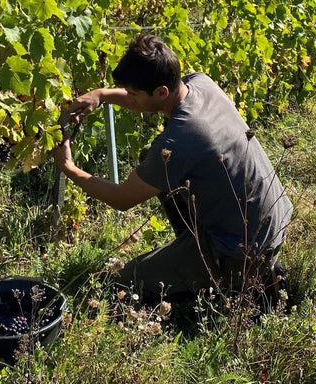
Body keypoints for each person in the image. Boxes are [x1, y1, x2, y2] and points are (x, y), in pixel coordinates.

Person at [53, 33, 292, 302]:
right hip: (269, 223)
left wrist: (69, 167)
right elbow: (142, 101)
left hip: (240, 251)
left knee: (122, 285)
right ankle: (197, 247)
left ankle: (235, 281)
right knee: (151, 157)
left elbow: (122, 199)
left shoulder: (180, 140)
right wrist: (102, 96)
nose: (130, 99)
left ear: (161, 92)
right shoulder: (201, 83)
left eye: (133, 94)